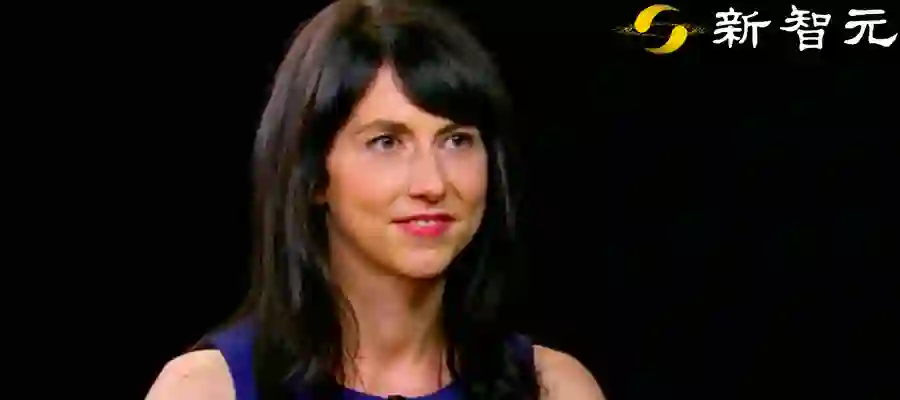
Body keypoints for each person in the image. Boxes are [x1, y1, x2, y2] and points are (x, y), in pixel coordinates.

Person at [146, 0, 605, 399]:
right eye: (387, 142)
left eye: (456, 140)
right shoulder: (206, 389)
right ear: (314, 176)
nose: (432, 183)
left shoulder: (553, 388)